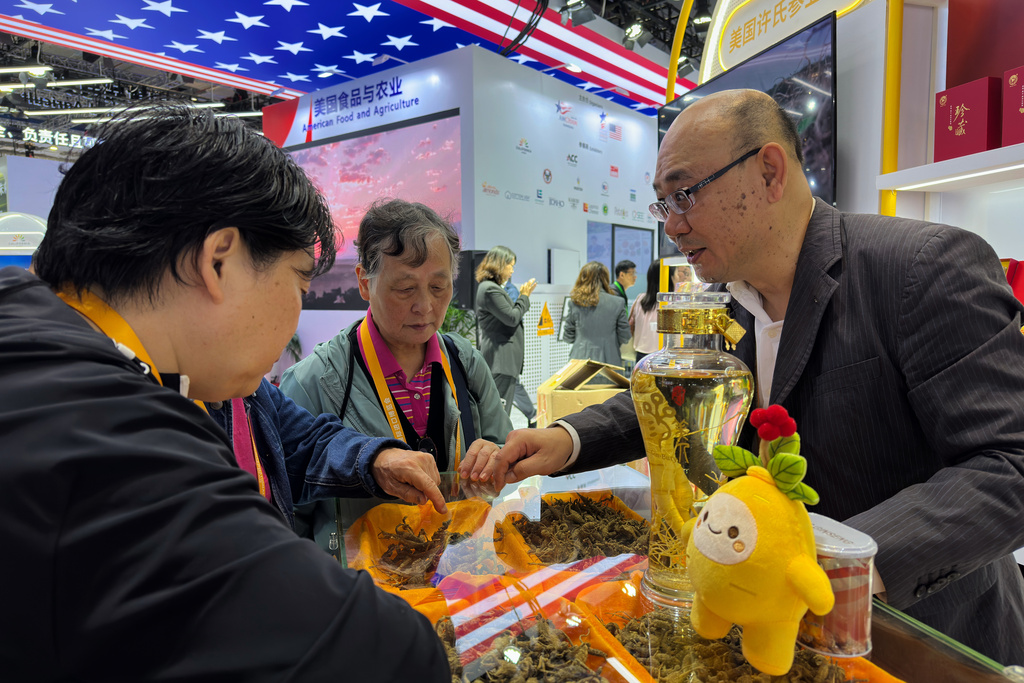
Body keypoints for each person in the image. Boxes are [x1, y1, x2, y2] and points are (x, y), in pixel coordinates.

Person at [462, 89, 1024, 664]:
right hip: (772, 637)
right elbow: (677, 398)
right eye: (663, 205)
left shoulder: (920, 270)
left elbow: (1009, 464)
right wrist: (565, 439)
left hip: (917, 639)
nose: (672, 228)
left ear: (770, 171)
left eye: (684, 195)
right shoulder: (728, 304)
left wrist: (832, 561)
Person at [1, 106, 448, 680]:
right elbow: (382, 654)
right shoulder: (107, 444)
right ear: (219, 261)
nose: (296, 314)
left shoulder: (53, 342)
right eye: (298, 280)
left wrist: (375, 456)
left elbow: (293, 430)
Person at [280, 198, 513, 553]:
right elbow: (290, 518)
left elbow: (503, 446)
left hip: (461, 572)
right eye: (405, 288)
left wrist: (495, 454)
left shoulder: (465, 362)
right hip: (363, 589)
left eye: (439, 287)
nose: (425, 306)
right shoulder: (316, 382)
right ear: (363, 281)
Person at [474, 245, 537, 418]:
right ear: (500, 265)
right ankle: (499, 444)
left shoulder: (491, 288)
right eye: (511, 265)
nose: (512, 270)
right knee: (500, 414)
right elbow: (512, 317)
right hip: (501, 359)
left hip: (502, 359)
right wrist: (524, 296)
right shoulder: (490, 289)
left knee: (500, 410)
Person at [561, 260, 630, 366]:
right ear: (605, 279)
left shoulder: (575, 303)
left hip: (580, 364)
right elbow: (625, 337)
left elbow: (567, 337)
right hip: (609, 364)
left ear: (582, 279)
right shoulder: (618, 302)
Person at [502, 274, 539, 426]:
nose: (511, 271)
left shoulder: (511, 290)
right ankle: (532, 415)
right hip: (498, 346)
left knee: (513, 383)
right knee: (512, 384)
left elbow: (514, 317)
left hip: (507, 344)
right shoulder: (492, 288)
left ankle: (532, 415)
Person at [629, 260, 663, 362]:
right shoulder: (669, 303)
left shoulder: (640, 299)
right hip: (663, 356)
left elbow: (631, 325)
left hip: (641, 354)